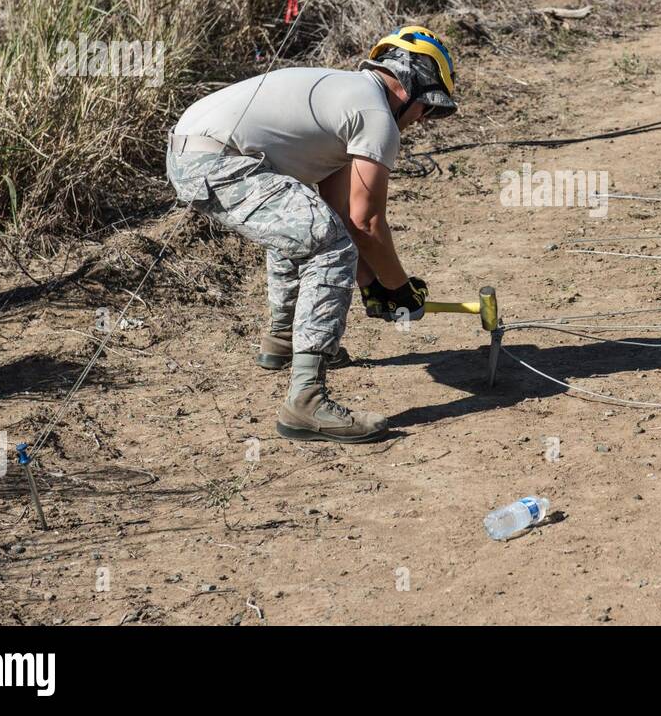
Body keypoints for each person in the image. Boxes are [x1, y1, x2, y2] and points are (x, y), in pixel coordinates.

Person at [166, 26, 459, 443]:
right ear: (412, 82)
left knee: (310, 227)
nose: (422, 121)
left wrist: (371, 285)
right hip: (213, 162)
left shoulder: (345, 100)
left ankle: (284, 340)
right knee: (325, 241)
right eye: (427, 108)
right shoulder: (376, 116)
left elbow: (340, 215)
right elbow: (366, 222)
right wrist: (400, 290)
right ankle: (306, 401)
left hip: (193, 151)